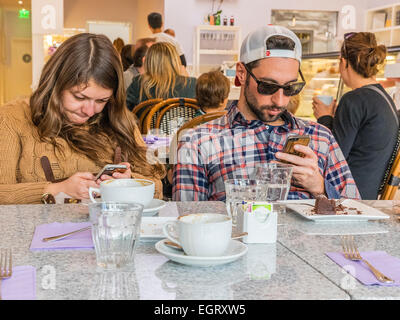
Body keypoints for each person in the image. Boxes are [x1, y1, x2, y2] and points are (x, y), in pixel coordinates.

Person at [172, 25, 360, 201]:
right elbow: (188, 222)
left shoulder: (321, 137)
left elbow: (357, 211)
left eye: (290, 87)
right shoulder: (198, 142)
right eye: (267, 86)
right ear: (241, 73)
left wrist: (321, 187)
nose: (280, 101)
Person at [0, 33, 165, 204]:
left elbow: (157, 187)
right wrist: (56, 190)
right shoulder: (12, 119)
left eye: (101, 100)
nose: (89, 111)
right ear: (55, 84)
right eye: (79, 97)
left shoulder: (118, 120)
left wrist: (128, 183)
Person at [312, 32, 399, 199]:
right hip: (369, 194)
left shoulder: (353, 100)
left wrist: (324, 118)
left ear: (344, 62)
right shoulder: (384, 97)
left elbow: (333, 158)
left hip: (348, 196)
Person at [126, 42, 196, 112]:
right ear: (176, 60)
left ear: (149, 61)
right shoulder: (192, 84)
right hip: (184, 123)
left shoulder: (138, 82)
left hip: (146, 122)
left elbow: (124, 109)